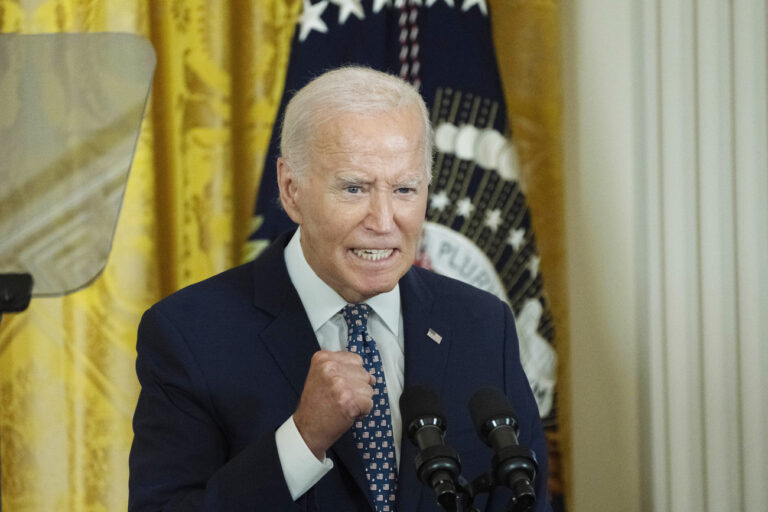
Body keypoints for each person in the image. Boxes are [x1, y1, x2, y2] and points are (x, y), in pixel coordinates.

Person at [129, 66, 550, 512]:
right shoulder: (190, 334)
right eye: (354, 188)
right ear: (291, 190)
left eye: (405, 189)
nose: (384, 222)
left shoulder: (482, 325)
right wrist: (302, 438)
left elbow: (524, 498)